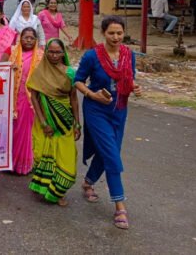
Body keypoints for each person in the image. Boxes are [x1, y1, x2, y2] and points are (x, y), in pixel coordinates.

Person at [74, 16, 142, 230]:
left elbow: (129, 78)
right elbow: (78, 81)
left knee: (109, 151)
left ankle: (88, 182)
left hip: (119, 110)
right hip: (96, 110)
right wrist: (92, 94)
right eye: (111, 33)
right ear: (103, 33)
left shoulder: (129, 55)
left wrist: (135, 87)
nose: (115, 37)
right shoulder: (92, 56)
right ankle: (120, 206)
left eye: (119, 33)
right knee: (112, 155)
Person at [27, 39, 80, 206]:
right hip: (46, 122)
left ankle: (58, 190)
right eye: (51, 51)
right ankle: (47, 190)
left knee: (67, 159)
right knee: (45, 154)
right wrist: (43, 122)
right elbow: (34, 97)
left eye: (58, 52)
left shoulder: (70, 73)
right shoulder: (40, 71)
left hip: (65, 122)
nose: (54, 55)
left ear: (63, 53)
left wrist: (77, 123)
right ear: (46, 52)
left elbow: (73, 98)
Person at [9, 27, 44, 175]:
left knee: (26, 132)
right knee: (13, 130)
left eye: (31, 38)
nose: (28, 40)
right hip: (12, 98)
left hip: (30, 99)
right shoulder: (13, 52)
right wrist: (10, 68)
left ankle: (23, 164)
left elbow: (44, 78)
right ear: (20, 38)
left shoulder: (41, 56)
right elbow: (1, 70)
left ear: (36, 40)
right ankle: (11, 163)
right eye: (26, 37)